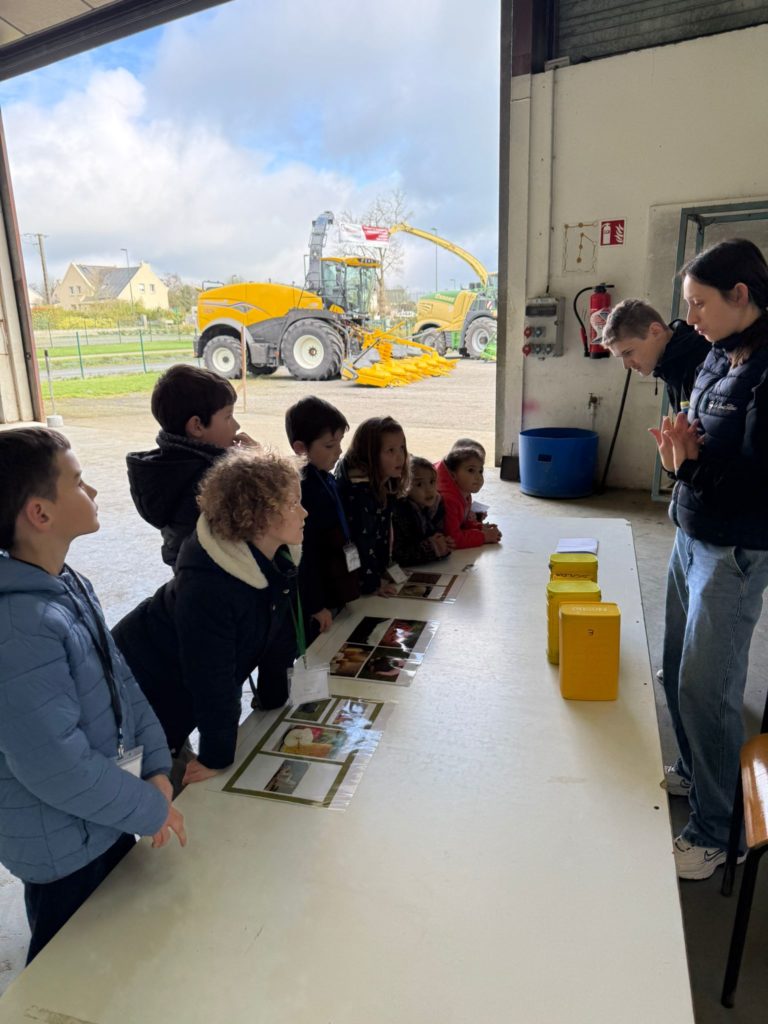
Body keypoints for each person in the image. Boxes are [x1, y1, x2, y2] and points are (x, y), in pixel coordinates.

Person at [0, 428, 186, 962]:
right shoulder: (18, 627)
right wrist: (147, 808)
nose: (94, 491)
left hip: (106, 815)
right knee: (67, 970)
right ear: (40, 513)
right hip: (62, 848)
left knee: (117, 953)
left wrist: (156, 766)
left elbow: (121, 681)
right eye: (79, 482)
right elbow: (56, 766)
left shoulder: (66, 582)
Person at [648, 238, 768, 880]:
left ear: (740, 295)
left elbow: (758, 484)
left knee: (708, 688)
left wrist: (689, 464)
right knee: (675, 670)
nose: (688, 318)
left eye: (698, 304)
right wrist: (684, 451)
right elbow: (707, 441)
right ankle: (700, 774)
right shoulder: (720, 352)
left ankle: (719, 830)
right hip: (690, 529)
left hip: (734, 549)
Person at [113, 448, 305, 787]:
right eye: (293, 504)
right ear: (259, 516)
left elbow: (276, 634)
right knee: (160, 780)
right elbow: (211, 678)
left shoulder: (277, 559)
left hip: (180, 683)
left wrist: (275, 700)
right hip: (145, 687)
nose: (304, 512)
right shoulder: (208, 586)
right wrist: (217, 755)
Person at [126, 364, 257, 571]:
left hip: (190, 577)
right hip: (222, 578)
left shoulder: (171, 470)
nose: (236, 426)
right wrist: (258, 462)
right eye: (228, 416)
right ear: (197, 426)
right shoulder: (212, 481)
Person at [285, 396, 360, 639]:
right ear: (300, 448)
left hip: (334, 583)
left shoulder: (326, 477)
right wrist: (315, 605)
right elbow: (304, 554)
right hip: (317, 598)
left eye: (339, 443)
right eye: (329, 446)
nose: (339, 451)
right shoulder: (302, 490)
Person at [334, 416, 408, 594]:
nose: (400, 457)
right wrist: (372, 584)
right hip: (354, 582)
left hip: (372, 573)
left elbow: (382, 533)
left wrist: (384, 569)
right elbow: (362, 540)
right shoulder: (358, 492)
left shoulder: (386, 480)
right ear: (370, 455)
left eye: (402, 448)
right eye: (390, 451)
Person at [602, 298, 711, 415]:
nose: (626, 365)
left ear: (655, 331)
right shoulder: (671, 366)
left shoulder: (703, 360)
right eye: (621, 357)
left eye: (628, 352)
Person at [435, 445, 501, 549]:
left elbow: (462, 522)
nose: (478, 477)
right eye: (471, 470)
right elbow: (453, 539)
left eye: (480, 471)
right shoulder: (448, 500)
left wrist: (479, 527)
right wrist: (484, 536)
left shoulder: (464, 493)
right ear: (453, 475)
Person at [393, 455, 454, 565]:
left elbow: (435, 533)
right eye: (419, 484)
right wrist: (432, 547)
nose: (429, 490)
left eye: (432, 482)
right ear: (405, 486)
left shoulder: (434, 506)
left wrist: (444, 542)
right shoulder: (402, 512)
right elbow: (400, 554)